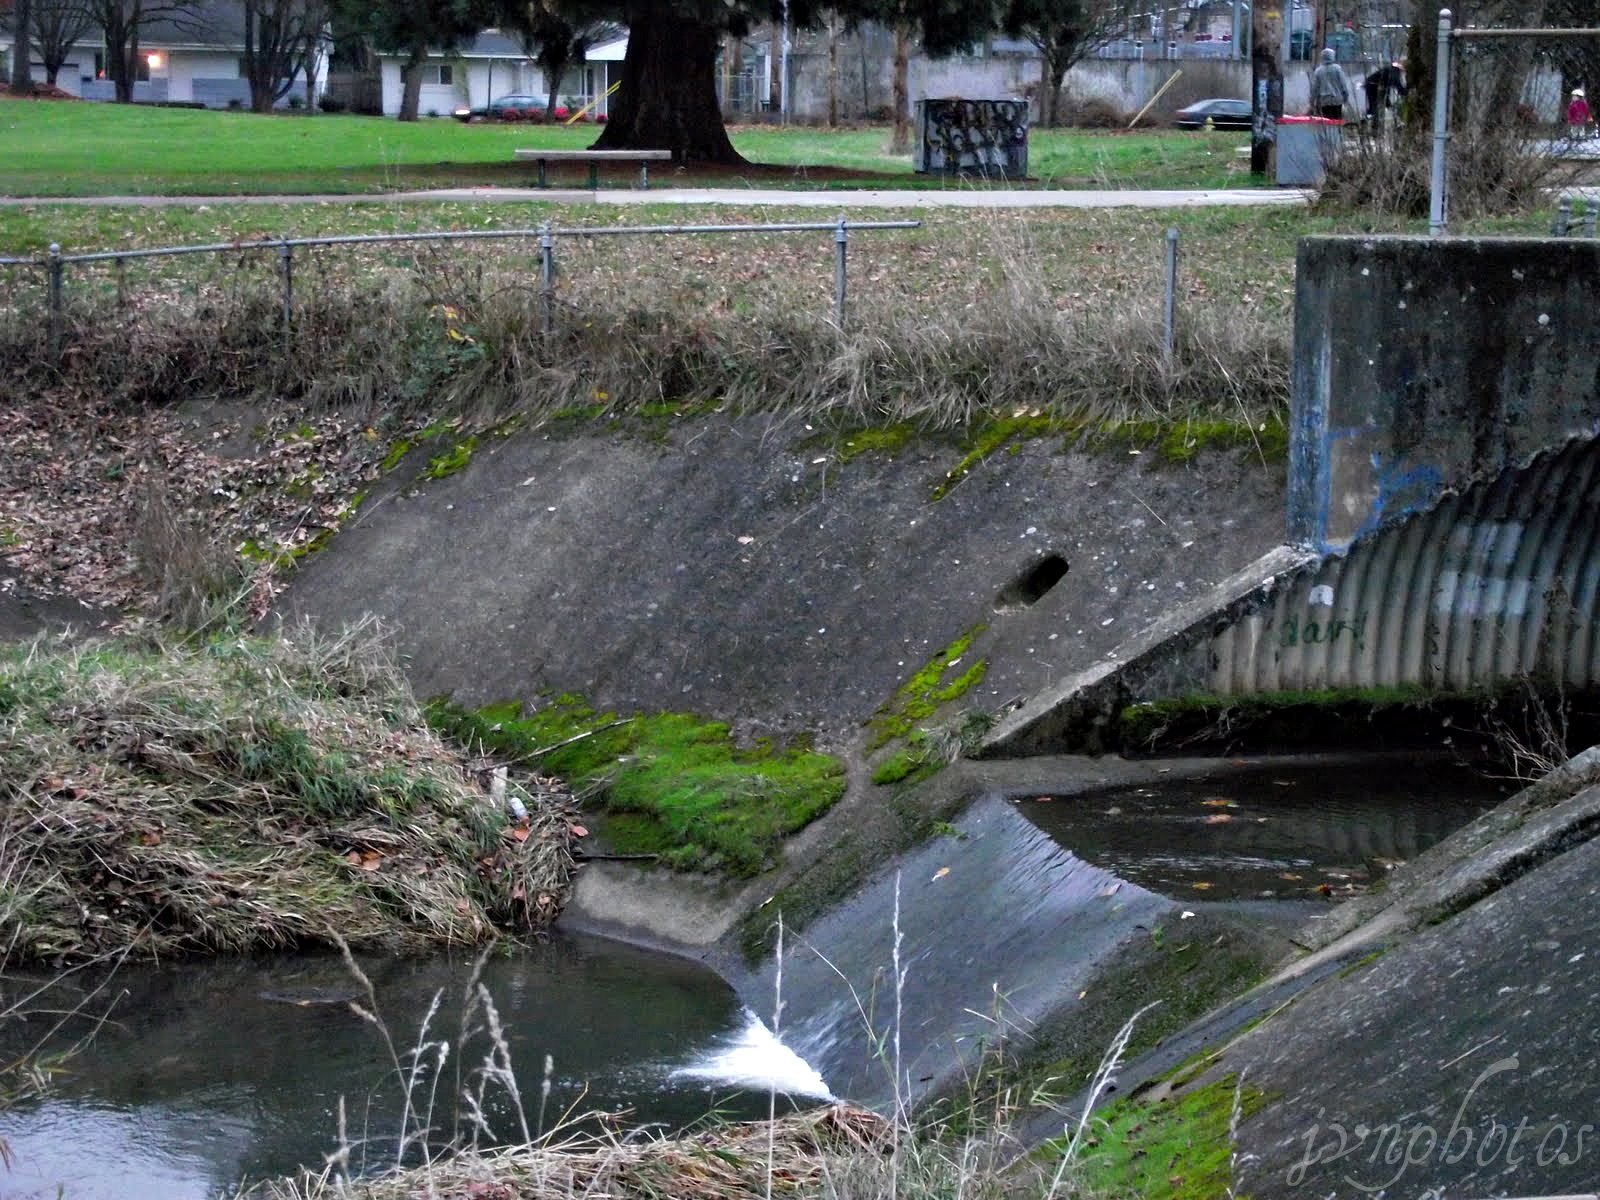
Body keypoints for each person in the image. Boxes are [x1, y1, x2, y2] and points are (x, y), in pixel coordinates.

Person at [1363, 60, 1407, 130]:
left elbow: (1387, 86)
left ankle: (1368, 122)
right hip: (1373, 86)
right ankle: (1373, 126)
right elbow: (1396, 83)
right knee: (1374, 107)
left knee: (1374, 107)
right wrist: (1404, 92)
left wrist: (1388, 102)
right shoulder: (1394, 71)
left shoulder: (1390, 69)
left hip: (1372, 85)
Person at [1312, 47, 1353, 121]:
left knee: (1327, 122)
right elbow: (1343, 85)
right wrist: (1346, 98)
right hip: (1337, 100)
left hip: (1324, 101)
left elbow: (1315, 88)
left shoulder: (1318, 71)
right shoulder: (1337, 69)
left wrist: (1312, 101)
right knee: (1337, 121)